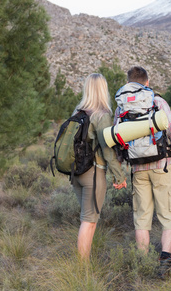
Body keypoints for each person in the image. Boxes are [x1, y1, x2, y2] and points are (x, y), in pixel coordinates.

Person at [113, 66, 171, 278]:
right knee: (169, 214)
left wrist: (119, 169)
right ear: (147, 81)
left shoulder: (121, 107)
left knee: (142, 217)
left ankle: (143, 263)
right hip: (162, 165)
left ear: (128, 82)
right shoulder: (157, 101)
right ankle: (165, 260)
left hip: (137, 169)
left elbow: (117, 141)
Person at [71, 73, 126, 260]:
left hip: (76, 173)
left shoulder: (77, 112)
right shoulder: (101, 115)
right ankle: (82, 268)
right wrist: (119, 175)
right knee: (89, 222)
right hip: (93, 174)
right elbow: (107, 150)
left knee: (86, 219)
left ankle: (84, 261)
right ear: (103, 90)